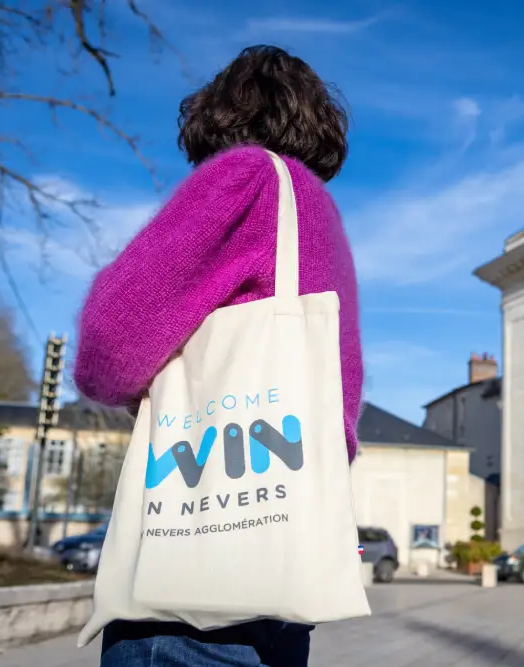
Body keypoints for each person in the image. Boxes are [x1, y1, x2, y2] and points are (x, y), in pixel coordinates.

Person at [74, 45, 360, 667]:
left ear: (220, 115)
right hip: (281, 581)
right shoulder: (320, 218)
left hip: (189, 597)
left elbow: (110, 341)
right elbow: (339, 416)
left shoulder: (246, 179)